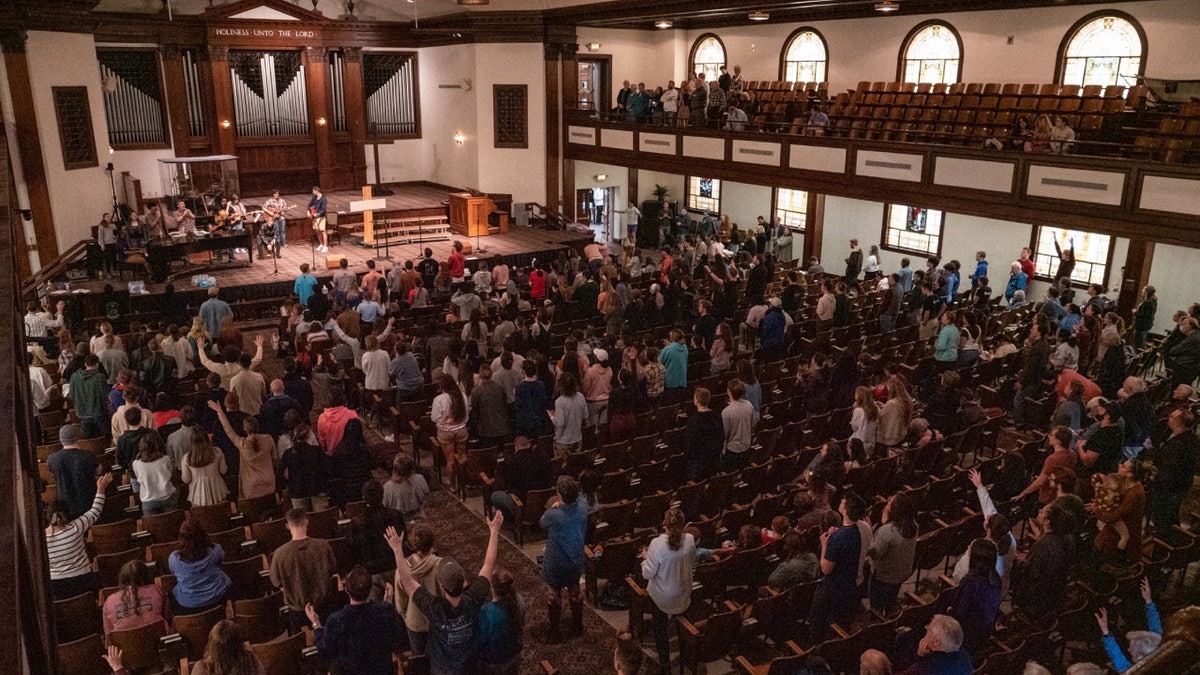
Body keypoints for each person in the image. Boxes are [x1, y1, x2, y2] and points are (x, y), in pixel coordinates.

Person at [388, 511, 504, 674]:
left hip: (443, 669)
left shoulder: (435, 608)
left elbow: (407, 581)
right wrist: (494, 532)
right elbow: (489, 565)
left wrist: (397, 550)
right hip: (470, 667)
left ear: (442, 584)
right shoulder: (473, 599)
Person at [308, 565, 403, 674]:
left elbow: (325, 649)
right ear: (370, 588)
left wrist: (316, 624)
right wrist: (388, 604)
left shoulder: (336, 620)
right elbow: (396, 637)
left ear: (346, 589)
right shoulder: (385, 610)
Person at [640, 508, 696, 675]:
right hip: (684, 592)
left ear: (665, 524)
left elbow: (647, 573)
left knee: (660, 628)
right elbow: (692, 563)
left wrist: (645, 558)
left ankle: (665, 664)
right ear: (683, 524)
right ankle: (686, 653)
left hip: (662, 597)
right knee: (681, 626)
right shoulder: (691, 539)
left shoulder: (657, 545)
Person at [810, 491, 866, 645]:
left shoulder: (838, 537)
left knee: (817, 621)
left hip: (833, 587)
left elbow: (826, 568)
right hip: (849, 585)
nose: (841, 501)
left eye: (844, 501)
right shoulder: (859, 530)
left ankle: (816, 648)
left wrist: (824, 544)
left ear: (846, 510)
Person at [46, 473, 113, 598]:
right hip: (83, 579)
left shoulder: (41, 539)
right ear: (68, 513)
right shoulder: (76, 527)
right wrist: (101, 488)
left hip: (57, 584)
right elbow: (95, 510)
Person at [539, 475, 588, 643]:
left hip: (557, 562)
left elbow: (542, 523)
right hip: (575, 558)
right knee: (575, 590)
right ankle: (577, 625)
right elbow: (580, 498)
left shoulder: (554, 514)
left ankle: (554, 632)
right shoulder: (582, 507)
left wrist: (554, 507)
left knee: (554, 594)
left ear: (560, 495)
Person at [270, 508, 338, 619]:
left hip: (296, 609)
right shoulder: (323, 545)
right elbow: (333, 569)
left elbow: (276, 582)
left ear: (287, 526)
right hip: (323, 604)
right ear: (306, 522)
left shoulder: (279, 554)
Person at [208, 400, 277, 500]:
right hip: (269, 480)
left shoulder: (242, 443)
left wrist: (220, 412)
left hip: (250, 485)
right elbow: (275, 459)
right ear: (258, 426)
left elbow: (228, 429)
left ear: (244, 429)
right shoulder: (268, 438)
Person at [947, 539, 1002, 655]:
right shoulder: (995, 578)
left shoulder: (970, 583)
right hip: (983, 633)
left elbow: (959, 614)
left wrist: (949, 612)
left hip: (966, 636)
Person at [1147, 408, 1199, 529]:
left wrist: (1155, 477)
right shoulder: (1174, 434)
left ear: (1178, 423)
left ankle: (1162, 540)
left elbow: (1171, 468)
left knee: (1163, 516)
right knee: (1170, 514)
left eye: (1171, 417)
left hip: (1170, 486)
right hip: (1172, 483)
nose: (1168, 418)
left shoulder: (1182, 444)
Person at [1097, 577, 1162, 673]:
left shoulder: (1132, 671)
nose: (1128, 649)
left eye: (1132, 651)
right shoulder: (1162, 656)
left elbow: (1117, 658)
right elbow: (1156, 630)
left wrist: (1106, 632)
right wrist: (1148, 600)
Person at [866, 493, 918, 614]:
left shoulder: (887, 531)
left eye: (890, 502)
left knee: (876, 605)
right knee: (891, 597)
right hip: (902, 571)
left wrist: (874, 528)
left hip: (884, 576)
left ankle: (878, 619)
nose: (887, 501)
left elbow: (874, 554)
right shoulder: (913, 525)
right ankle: (890, 612)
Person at [169, 520, 231, 614]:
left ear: (181, 538)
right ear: (202, 535)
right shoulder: (216, 550)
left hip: (188, 605)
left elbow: (173, 573)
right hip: (218, 597)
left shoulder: (174, 558)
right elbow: (221, 561)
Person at [476, 568, 525, 674]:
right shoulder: (520, 600)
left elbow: (481, 641)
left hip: (495, 662)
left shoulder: (487, 612)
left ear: (492, 588)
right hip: (515, 654)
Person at [47, 424, 99, 519]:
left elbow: (52, 475)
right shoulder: (87, 456)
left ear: (61, 439)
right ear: (77, 438)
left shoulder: (52, 459)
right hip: (89, 503)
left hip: (66, 506)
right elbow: (98, 471)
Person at [102, 560, 168, 634]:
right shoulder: (157, 590)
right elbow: (168, 618)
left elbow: (109, 634)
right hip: (159, 639)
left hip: (125, 644)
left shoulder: (109, 601)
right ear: (147, 576)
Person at [898, 614, 973, 675]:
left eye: (928, 629)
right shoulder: (964, 655)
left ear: (936, 641)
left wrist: (918, 657)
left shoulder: (923, 669)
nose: (926, 629)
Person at [432, 373, 470, 488]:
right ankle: (463, 483)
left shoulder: (439, 400)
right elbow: (467, 414)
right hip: (461, 430)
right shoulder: (462, 395)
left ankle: (452, 485)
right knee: (462, 458)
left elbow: (434, 418)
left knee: (450, 460)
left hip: (446, 432)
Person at [181, 428, 229, 508]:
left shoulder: (187, 458)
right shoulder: (217, 451)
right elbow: (223, 471)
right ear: (207, 439)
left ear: (192, 442)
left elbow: (186, 480)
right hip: (218, 490)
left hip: (198, 494)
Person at [130, 434, 177, 515]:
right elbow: (171, 474)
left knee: (152, 525)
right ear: (156, 446)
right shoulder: (166, 459)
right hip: (168, 496)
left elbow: (139, 479)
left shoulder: (136, 464)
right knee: (172, 523)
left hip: (148, 500)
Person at [684, 387, 723, 481]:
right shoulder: (716, 416)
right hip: (713, 459)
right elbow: (721, 436)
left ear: (696, 400)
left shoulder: (694, 421)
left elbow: (689, 445)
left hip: (698, 464)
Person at [383, 453, 430, 525]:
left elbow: (385, 506)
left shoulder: (387, 487)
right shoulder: (420, 479)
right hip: (418, 519)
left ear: (395, 469)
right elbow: (426, 496)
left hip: (397, 522)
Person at [721, 378, 755, 471]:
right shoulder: (749, 405)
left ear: (729, 392)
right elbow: (752, 424)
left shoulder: (726, 412)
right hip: (746, 446)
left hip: (732, 450)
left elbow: (725, 434)